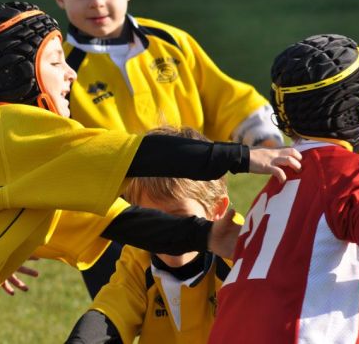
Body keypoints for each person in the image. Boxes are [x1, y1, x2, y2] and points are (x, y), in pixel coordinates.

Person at [0, 1, 301, 343]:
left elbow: (120, 222)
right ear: (19, 75)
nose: (71, 73)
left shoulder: (38, 168)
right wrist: (240, 157)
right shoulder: (21, 129)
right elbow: (142, 153)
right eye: (56, 62)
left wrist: (206, 237)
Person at [46, 0, 284, 298]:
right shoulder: (59, 68)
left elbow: (226, 97)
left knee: (214, 307)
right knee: (124, 315)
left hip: (194, 208)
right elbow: (42, 151)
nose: (96, 1)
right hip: (115, 225)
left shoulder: (172, 43)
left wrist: (264, 140)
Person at [208, 34, 359, 343]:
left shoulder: (276, 184)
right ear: (353, 114)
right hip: (295, 333)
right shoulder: (348, 168)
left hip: (229, 330)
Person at [66, 126, 237, 344]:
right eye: (154, 221)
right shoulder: (138, 259)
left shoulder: (241, 257)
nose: (167, 233)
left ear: (217, 209)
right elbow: (110, 313)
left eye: (180, 218)